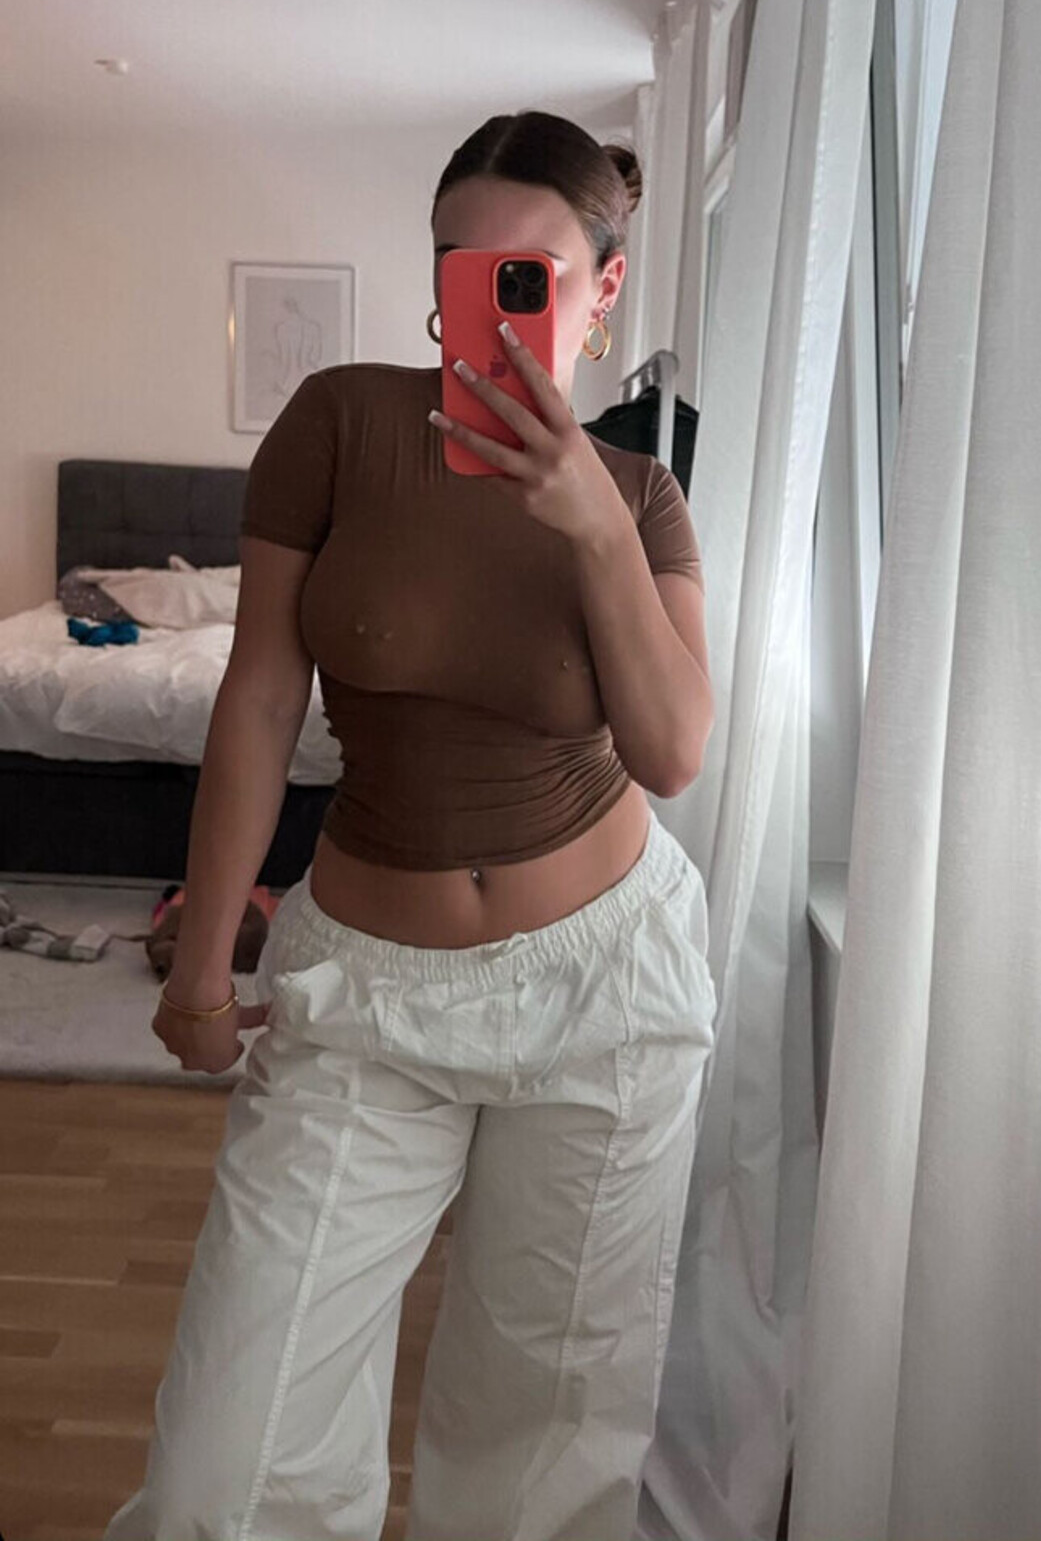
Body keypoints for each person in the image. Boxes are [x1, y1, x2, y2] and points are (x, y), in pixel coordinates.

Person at [101, 110, 718, 1541]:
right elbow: (259, 699)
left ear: (603, 290)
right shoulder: (338, 424)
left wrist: (591, 522)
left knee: (543, 1463)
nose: (485, 305)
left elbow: (673, 752)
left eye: (528, 274)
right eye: (458, 264)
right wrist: (203, 966)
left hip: (607, 993)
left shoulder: (642, 496)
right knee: (223, 1474)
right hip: (363, 994)